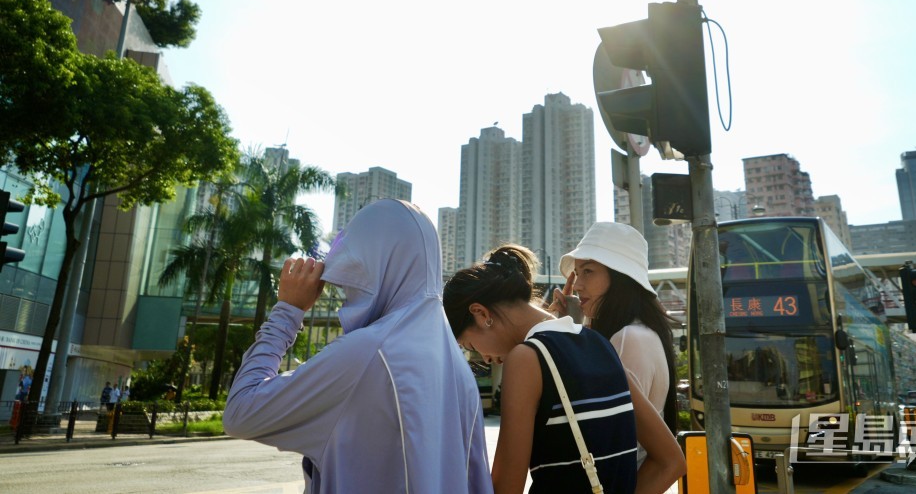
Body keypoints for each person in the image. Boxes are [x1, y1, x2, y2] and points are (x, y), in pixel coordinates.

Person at [223, 199, 492, 494]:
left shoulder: (366, 352)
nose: (346, 297)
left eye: (352, 281)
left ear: (375, 269)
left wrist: (287, 311)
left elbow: (240, 413)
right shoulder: (459, 369)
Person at [443, 243, 686, 494]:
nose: (485, 357)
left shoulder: (525, 359)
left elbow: (506, 488)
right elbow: (671, 461)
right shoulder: (598, 343)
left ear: (481, 314)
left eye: (471, 345)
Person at [552, 222, 680, 444]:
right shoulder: (640, 332)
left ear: (621, 278)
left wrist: (563, 333)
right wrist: (572, 325)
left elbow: (599, 430)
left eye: (588, 271)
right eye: (577, 273)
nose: (578, 285)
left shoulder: (628, 339)